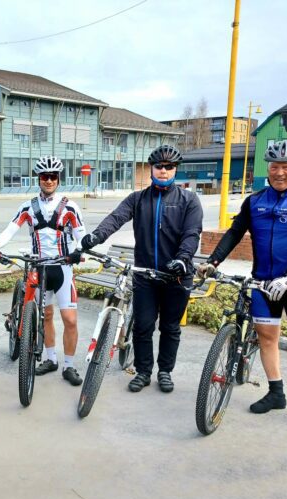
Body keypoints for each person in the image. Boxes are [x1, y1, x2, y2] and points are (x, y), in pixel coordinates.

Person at [198, 140, 287, 433]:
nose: (280, 172)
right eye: (274, 167)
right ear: (267, 169)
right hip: (263, 281)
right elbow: (235, 232)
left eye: (286, 167)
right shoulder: (255, 201)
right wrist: (213, 261)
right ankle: (276, 393)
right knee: (267, 338)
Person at [81, 144, 202, 393]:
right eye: (159, 166)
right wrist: (96, 236)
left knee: (170, 327)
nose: (164, 171)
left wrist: (183, 259)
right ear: (151, 169)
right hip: (145, 275)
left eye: (169, 167)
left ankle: (165, 371)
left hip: (177, 276)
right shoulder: (138, 199)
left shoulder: (188, 200)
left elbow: (192, 233)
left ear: (175, 169)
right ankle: (143, 371)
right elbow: (115, 218)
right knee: (143, 325)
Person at [0, 155, 85, 386]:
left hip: (62, 268)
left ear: (58, 179)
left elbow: (81, 234)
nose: (49, 180)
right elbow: (11, 229)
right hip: (39, 268)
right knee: (46, 316)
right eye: (44, 176)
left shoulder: (70, 206)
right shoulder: (27, 207)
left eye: (53, 176)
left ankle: (69, 366)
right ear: (38, 178)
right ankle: (51, 359)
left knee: (70, 320)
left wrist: (80, 251)